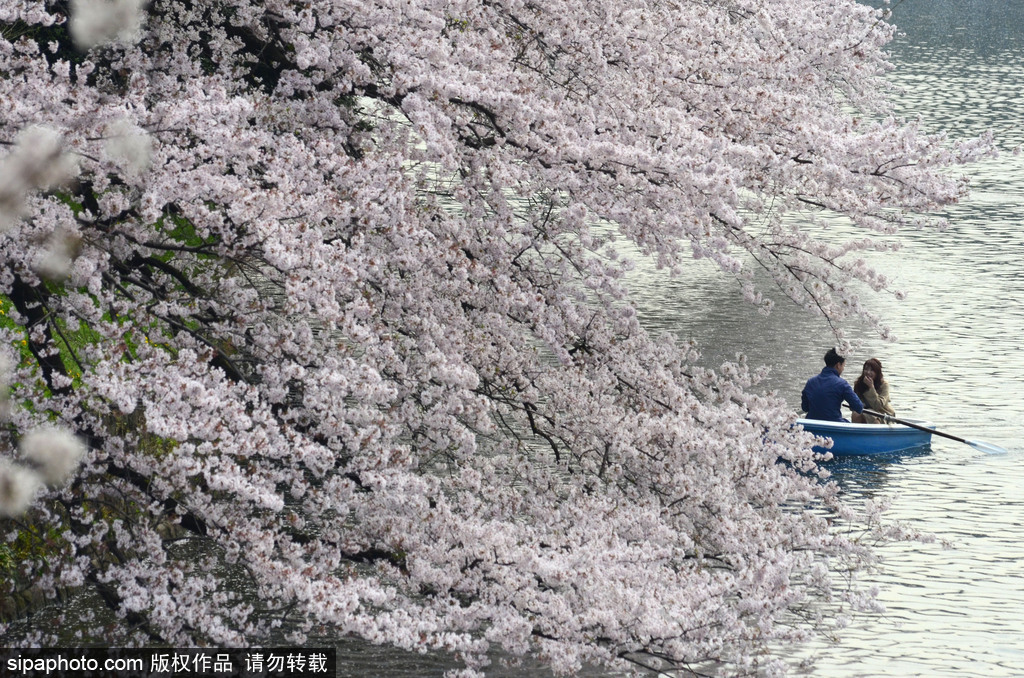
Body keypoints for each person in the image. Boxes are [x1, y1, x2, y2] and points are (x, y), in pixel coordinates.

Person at [801, 348, 864, 422]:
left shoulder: (810, 382)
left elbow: (805, 408)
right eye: (843, 366)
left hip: (812, 424)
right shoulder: (842, 384)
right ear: (838, 365)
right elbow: (859, 407)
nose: (843, 369)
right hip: (833, 424)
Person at [850, 358, 895, 424]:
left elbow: (878, 405)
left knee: (872, 417)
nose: (868, 372)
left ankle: (876, 433)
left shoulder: (884, 385)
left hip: (883, 413)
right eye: (866, 369)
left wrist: (871, 388)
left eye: (872, 370)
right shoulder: (858, 384)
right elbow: (855, 403)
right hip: (866, 411)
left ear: (877, 373)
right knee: (855, 414)